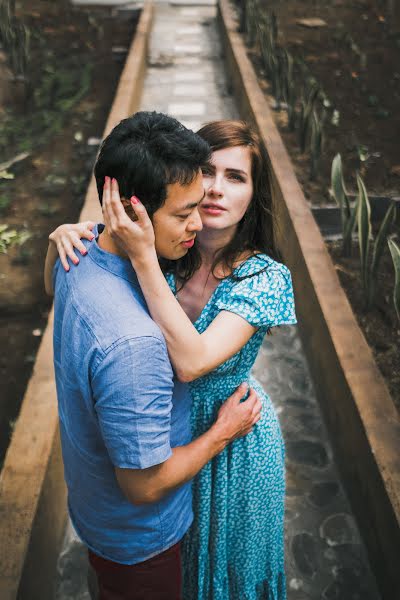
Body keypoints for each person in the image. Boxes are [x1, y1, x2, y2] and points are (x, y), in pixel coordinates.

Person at [47, 118, 297, 600]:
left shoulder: (263, 278)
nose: (215, 190)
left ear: (254, 193)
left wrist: (142, 258)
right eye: (207, 172)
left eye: (236, 177)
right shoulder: (167, 246)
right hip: (159, 437)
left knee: (224, 573)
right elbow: (95, 264)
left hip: (232, 436)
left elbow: (192, 362)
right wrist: (65, 236)